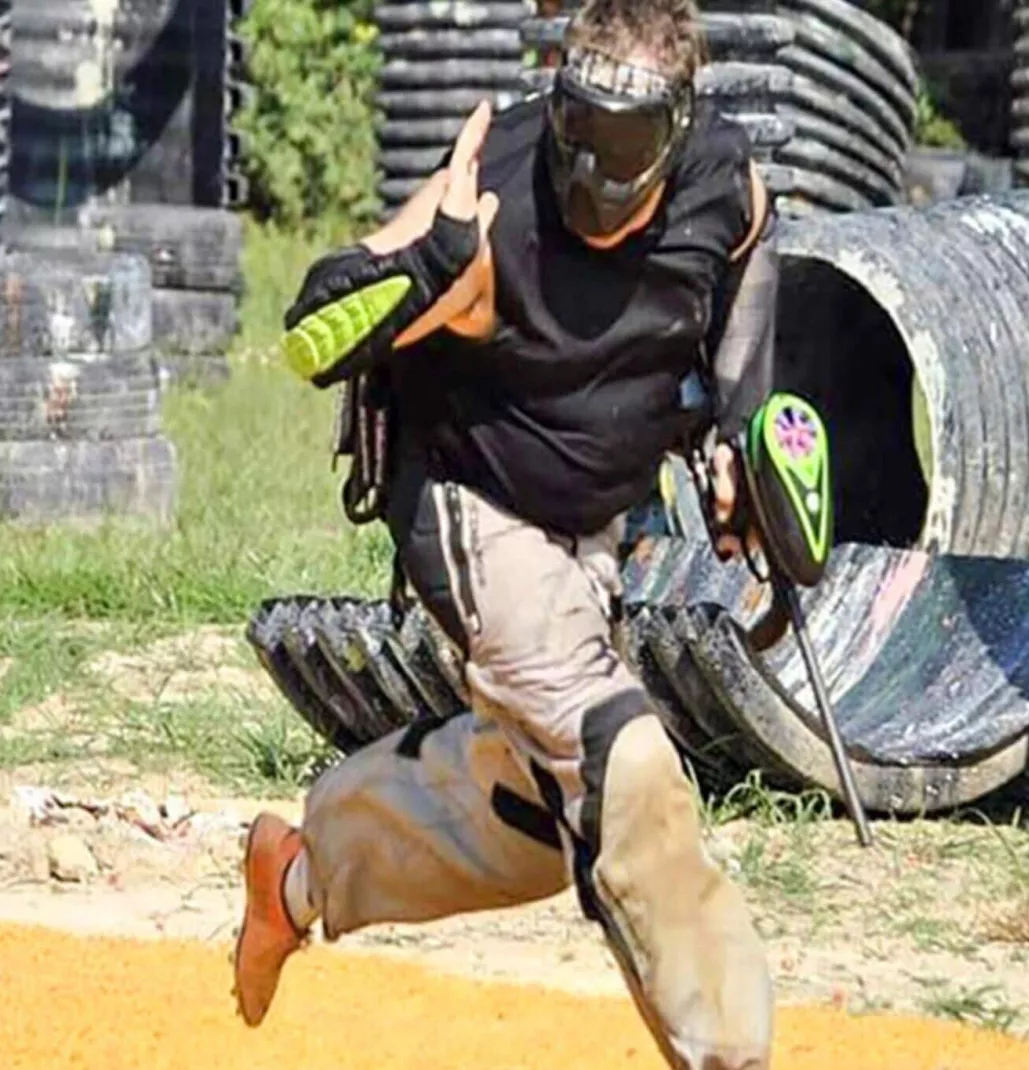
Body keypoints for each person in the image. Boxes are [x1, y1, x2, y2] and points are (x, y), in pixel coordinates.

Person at [232, 0, 780, 1066]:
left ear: (676, 126)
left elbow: (753, 252)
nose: (595, 170)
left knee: (535, 820)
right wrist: (424, 268)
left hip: (592, 531)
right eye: (578, 126)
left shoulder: (724, 178)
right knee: (625, 766)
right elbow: (308, 332)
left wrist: (737, 429)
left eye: (626, 144)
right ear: (556, 97)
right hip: (472, 514)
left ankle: (300, 872)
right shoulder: (492, 195)